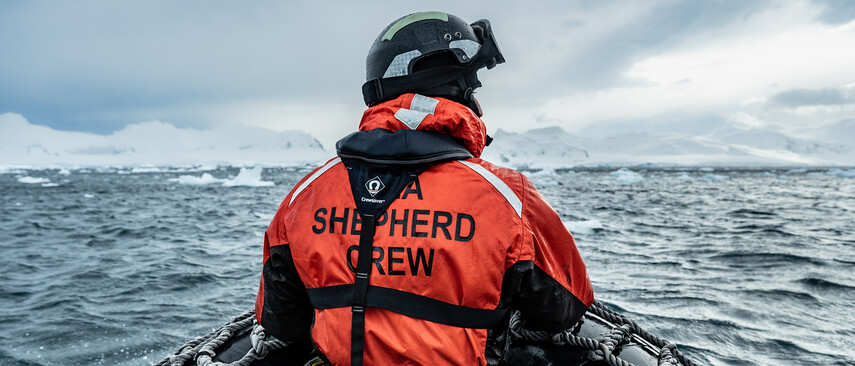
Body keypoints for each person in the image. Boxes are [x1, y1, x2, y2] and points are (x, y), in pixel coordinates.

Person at [254, 11, 594, 366]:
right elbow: (563, 310)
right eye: (471, 85)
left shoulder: (305, 194)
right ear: (449, 84)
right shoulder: (509, 196)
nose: (476, 100)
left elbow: (281, 321)